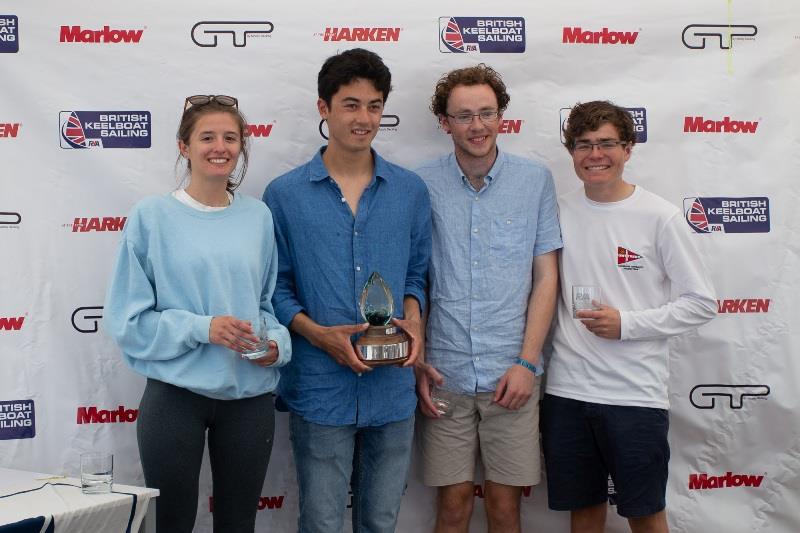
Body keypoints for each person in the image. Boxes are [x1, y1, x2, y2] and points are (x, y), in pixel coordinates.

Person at [104, 95, 291, 533]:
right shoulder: (152, 216)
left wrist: (275, 346)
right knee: (171, 524)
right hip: (175, 397)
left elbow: (265, 305)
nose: (219, 146)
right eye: (207, 137)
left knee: (238, 525)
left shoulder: (258, 216)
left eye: (230, 137)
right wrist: (202, 327)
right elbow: (128, 322)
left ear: (242, 146)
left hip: (249, 400)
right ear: (184, 147)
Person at [263, 48, 432, 533]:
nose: (364, 118)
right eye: (351, 104)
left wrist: (414, 317)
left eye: (374, 105)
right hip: (320, 387)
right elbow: (276, 287)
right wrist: (319, 336)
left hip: (393, 388)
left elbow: (417, 274)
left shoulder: (410, 191)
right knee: (321, 522)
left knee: (381, 522)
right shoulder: (284, 194)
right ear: (324, 108)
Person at [541, 100, 716, 533]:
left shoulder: (661, 216)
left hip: (635, 395)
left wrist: (628, 324)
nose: (594, 154)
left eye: (606, 144)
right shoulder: (557, 211)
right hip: (567, 392)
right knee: (583, 513)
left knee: (645, 514)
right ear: (571, 152)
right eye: (583, 144)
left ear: (628, 149)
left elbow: (702, 302)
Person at [414, 64, 562, 533]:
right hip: (444, 375)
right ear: (444, 123)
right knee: (453, 507)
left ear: (502, 117)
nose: (477, 126)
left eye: (486, 113)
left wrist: (528, 363)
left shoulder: (534, 180)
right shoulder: (420, 185)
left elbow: (546, 278)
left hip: (512, 376)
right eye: (463, 116)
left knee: (505, 508)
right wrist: (418, 360)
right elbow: (413, 279)